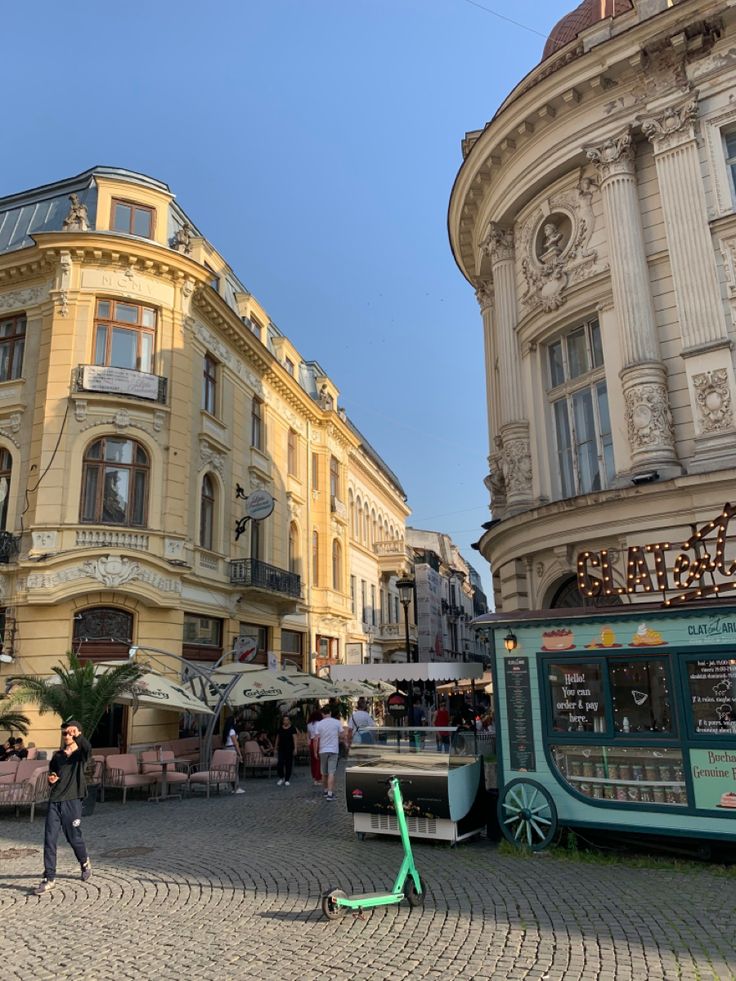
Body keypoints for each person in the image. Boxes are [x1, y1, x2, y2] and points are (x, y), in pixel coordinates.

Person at [34, 720, 92, 895]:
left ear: (76, 733)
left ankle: (84, 861)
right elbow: (53, 774)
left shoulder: (80, 755)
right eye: (64, 733)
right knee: (49, 839)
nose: (66, 736)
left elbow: (88, 750)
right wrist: (52, 779)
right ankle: (49, 878)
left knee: (73, 838)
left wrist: (79, 736)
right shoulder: (58, 756)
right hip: (55, 800)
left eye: (70, 733)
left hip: (72, 801)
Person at [316, 705, 343, 801]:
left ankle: (325, 790)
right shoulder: (337, 722)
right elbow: (341, 735)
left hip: (322, 750)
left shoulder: (319, 724)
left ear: (322, 714)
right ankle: (330, 794)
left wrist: (316, 751)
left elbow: (316, 738)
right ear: (330, 713)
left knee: (324, 773)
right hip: (334, 750)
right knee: (331, 772)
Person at [222, 716, 245, 794]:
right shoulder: (232, 731)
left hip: (226, 749)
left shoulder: (226, 730)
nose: (236, 721)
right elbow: (236, 743)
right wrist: (240, 754)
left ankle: (233, 787)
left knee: (231, 769)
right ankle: (236, 787)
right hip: (232, 749)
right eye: (235, 720)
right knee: (235, 769)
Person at [274, 714, 297, 786]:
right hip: (281, 748)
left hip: (289, 749)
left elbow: (295, 739)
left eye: (287, 720)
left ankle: (287, 779)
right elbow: (277, 738)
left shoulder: (292, 728)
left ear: (289, 721)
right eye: (284, 720)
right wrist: (275, 748)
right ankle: (281, 777)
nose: (285, 721)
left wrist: (295, 748)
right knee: (280, 763)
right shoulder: (280, 728)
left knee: (288, 764)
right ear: (282, 721)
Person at [306, 709, 323, 786]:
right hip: (318, 741)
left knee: (313, 761)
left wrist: (309, 742)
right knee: (318, 761)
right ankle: (318, 779)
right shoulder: (319, 723)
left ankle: (314, 776)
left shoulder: (309, 724)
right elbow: (318, 735)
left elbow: (308, 736)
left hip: (311, 742)